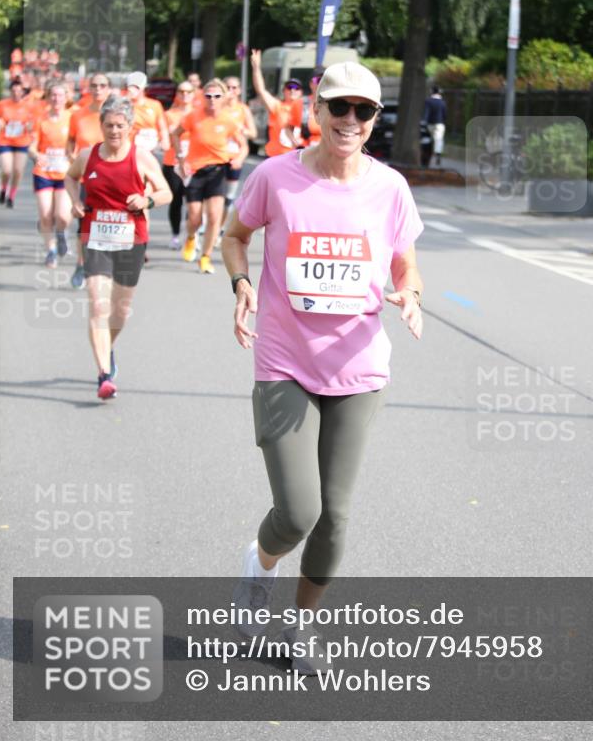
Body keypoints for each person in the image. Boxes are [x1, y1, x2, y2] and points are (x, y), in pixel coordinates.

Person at [222, 60, 423, 670]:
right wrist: (241, 283)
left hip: (359, 367)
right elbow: (234, 235)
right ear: (318, 110)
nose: (352, 121)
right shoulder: (276, 178)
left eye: (365, 111)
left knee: (334, 517)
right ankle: (256, 570)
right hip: (284, 361)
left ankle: (302, 628)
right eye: (341, 108)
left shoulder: (389, 188)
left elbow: (405, 266)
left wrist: (410, 294)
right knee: (299, 512)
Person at [64, 96, 171, 400]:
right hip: (95, 236)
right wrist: (75, 201)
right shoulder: (88, 155)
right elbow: (70, 178)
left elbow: (166, 192)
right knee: (98, 303)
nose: (114, 131)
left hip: (131, 239)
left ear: (130, 127)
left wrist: (147, 200)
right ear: (101, 126)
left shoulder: (141, 158)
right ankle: (103, 374)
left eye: (120, 126)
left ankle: (107, 347)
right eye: (109, 125)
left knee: (120, 310)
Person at [171, 78, 247, 274]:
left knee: (214, 217)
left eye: (217, 96)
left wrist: (238, 158)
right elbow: (175, 134)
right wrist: (181, 159)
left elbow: (243, 145)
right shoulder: (193, 116)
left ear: (223, 98)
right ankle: (190, 237)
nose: (212, 99)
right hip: (196, 171)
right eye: (208, 96)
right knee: (195, 218)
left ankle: (205, 257)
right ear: (203, 97)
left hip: (217, 171)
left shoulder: (229, 120)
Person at [66, 74, 112, 289]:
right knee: (84, 225)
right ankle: (81, 264)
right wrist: (72, 158)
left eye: (102, 86)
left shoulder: (116, 115)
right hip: (88, 178)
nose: (98, 89)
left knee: (110, 223)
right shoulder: (78, 115)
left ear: (109, 89)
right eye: (94, 85)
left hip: (114, 179)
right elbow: (71, 141)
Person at [28, 82, 72, 266]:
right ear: (48, 97)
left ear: (66, 98)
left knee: (62, 216)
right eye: (53, 95)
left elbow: (79, 143)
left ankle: (61, 232)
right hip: (44, 173)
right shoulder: (41, 119)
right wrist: (36, 155)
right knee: (46, 214)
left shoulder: (72, 118)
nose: (56, 99)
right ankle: (51, 250)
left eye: (60, 95)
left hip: (65, 173)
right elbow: (31, 146)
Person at [216, 75, 257, 246]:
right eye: (228, 87)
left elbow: (253, 133)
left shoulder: (243, 109)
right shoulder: (217, 108)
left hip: (235, 157)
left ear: (239, 90)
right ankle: (210, 225)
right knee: (214, 194)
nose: (231, 91)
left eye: (234, 88)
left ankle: (220, 227)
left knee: (228, 197)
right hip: (217, 156)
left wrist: (241, 130)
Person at [250, 49, 303, 156]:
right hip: (277, 157)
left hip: (299, 157)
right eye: (289, 87)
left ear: (301, 92)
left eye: (296, 88)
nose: (292, 90)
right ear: (284, 91)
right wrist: (256, 68)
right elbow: (261, 90)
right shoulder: (277, 106)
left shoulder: (306, 109)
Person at [162, 80, 195, 249]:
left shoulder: (198, 114)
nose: (185, 95)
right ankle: (175, 234)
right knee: (176, 201)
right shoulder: (169, 115)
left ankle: (192, 234)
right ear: (177, 94)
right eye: (182, 91)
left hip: (194, 164)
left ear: (194, 94)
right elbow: (164, 139)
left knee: (194, 202)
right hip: (172, 162)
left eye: (189, 92)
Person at [0, 78, 36, 208]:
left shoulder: (28, 106)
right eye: (13, 90)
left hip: (21, 142)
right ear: (10, 91)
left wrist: (30, 126)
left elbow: (32, 123)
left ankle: (11, 196)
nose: (16, 93)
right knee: (7, 170)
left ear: (22, 92)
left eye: (19, 91)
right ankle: (3, 189)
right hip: (5, 141)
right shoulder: (3, 104)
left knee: (18, 171)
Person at [126, 72, 170, 153]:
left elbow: (162, 127)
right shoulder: (124, 104)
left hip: (151, 148)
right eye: (130, 87)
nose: (132, 90)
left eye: (136, 87)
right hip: (130, 147)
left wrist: (165, 140)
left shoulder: (155, 105)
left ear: (143, 88)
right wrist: (127, 100)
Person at [423, 83, 447, 168]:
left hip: (430, 123)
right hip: (440, 123)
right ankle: (438, 154)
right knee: (439, 139)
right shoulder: (442, 102)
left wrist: (424, 121)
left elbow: (426, 112)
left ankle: (429, 154)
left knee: (430, 139)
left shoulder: (428, 101)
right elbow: (445, 114)